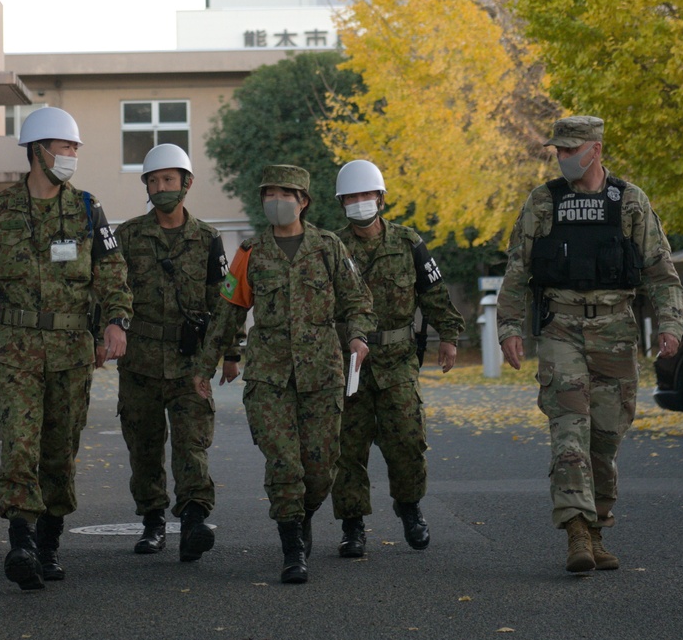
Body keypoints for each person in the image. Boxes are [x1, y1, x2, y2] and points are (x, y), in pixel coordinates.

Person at [497, 115, 683, 574]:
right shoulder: (542, 203)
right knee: (569, 432)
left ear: (595, 150)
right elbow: (518, 269)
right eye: (558, 150)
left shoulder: (630, 203)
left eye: (570, 150)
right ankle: (576, 531)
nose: (562, 157)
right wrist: (509, 327)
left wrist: (671, 324)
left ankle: (597, 527)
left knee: (605, 437)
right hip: (561, 328)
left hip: (616, 332)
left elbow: (661, 273)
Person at [0, 106, 131, 590]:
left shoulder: (87, 209)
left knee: (58, 452)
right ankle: (21, 542)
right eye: (65, 147)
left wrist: (116, 323)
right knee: (19, 447)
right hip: (15, 350)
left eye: (75, 148)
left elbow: (114, 275)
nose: (72, 155)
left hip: (72, 351)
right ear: (38, 151)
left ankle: (49, 543)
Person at [194, 164, 376, 584]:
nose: (276, 202)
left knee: (319, 467)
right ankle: (292, 546)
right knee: (283, 464)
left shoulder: (329, 247)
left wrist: (358, 337)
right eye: (268, 194)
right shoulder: (250, 253)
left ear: (304, 201)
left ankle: (304, 513)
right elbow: (227, 313)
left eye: (285, 194)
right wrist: (205, 366)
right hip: (269, 377)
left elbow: (358, 302)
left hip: (321, 375)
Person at [331, 160, 465, 558]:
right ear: (342, 203)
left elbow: (434, 293)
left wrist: (449, 336)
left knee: (407, 439)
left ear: (381, 198)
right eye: (351, 197)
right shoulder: (332, 247)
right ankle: (352, 525)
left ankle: (410, 508)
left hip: (398, 360)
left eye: (366, 195)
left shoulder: (408, 243)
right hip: (349, 363)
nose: (360, 203)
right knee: (348, 447)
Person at [115, 143, 236, 562]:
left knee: (191, 445)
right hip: (140, 363)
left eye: (169, 179)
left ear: (186, 183)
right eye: (153, 180)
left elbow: (224, 302)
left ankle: (193, 521)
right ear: (146, 186)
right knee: (144, 445)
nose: (161, 186)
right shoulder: (127, 236)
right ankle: (152, 522)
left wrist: (231, 353)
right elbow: (109, 293)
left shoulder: (208, 239)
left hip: (190, 364)